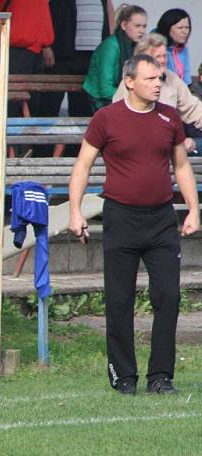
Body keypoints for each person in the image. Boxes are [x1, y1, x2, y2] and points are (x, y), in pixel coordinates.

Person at [68, 54, 200, 395]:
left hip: (160, 220)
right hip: (120, 218)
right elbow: (82, 166)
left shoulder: (169, 117)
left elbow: (181, 166)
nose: (158, 84)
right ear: (129, 81)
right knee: (119, 300)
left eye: (160, 78)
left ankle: (161, 377)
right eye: (150, 79)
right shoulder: (106, 118)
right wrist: (75, 211)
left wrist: (193, 210)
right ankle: (123, 377)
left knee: (168, 296)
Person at [112, 33, 202, 155]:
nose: (163, 60)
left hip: (171, 141)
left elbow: (193, 108)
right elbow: (121, 122)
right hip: (140, 146)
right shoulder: (130, 83)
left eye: (165, 55)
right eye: (157, 56)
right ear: (142, 59)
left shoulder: (171, 78)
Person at [0, 0, 54, 117]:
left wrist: (45, 44)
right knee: (11, 109)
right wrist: (4, 32)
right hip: (15, 48)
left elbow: (40, 11)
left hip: (35, 49)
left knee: (34, 107)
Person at [40, 0, 115, 120]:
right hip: (63, 53)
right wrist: (46, 46)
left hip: (94, 57)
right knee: (50, 103)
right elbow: (46, 14)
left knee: (84, 108)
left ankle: (82, 138)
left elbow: (109, 15)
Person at [82, 4, 147, 111]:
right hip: (99, 101)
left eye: (144, 26)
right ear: (124, 25)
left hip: (123, 97)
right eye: (137, 26)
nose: (142, 31)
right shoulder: (110, 46)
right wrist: (135, 97)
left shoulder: (138, 46)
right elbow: (105, 89)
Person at [156, 8, 192, 86]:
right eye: (180, 28)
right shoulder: (155, 48)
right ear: (167, 28)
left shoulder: (183, 49)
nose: (185, 32)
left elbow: (187, 79)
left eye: (187, 27)